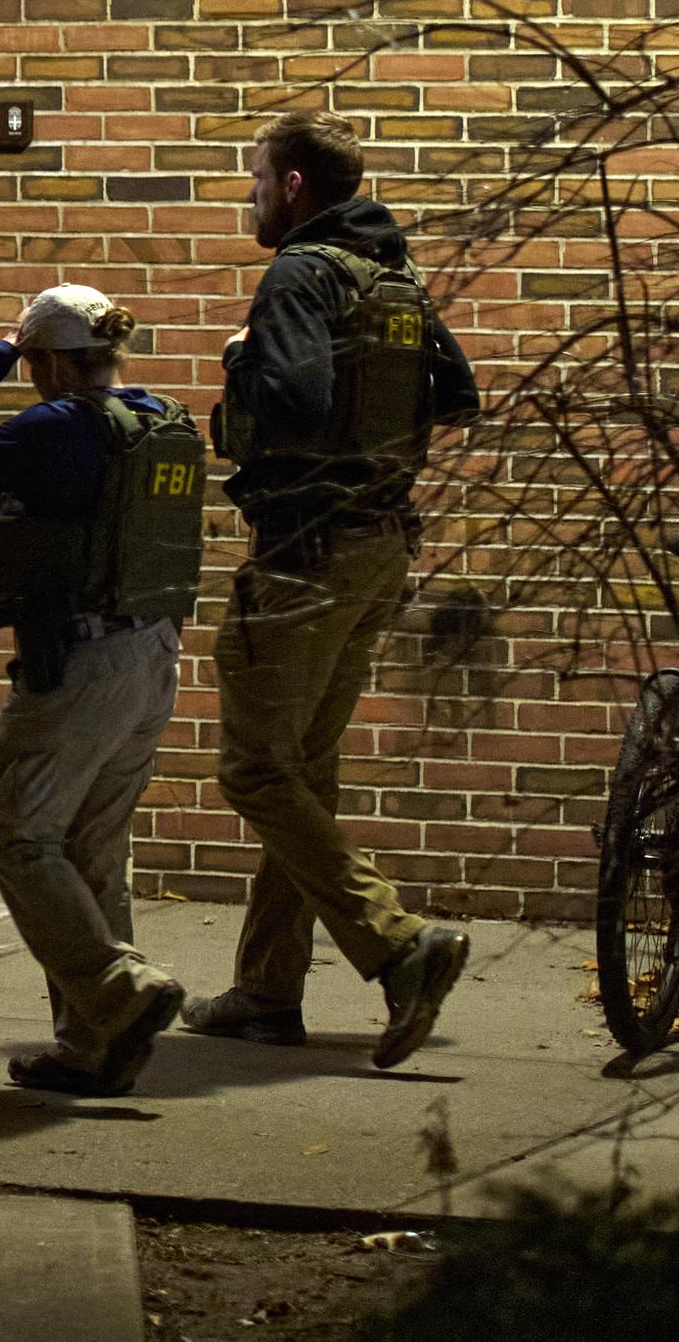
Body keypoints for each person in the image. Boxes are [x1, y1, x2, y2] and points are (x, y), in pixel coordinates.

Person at [186, 108, 481, 1068]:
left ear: (297, 188)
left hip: (305, 557)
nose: (252, 196)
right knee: (303, 767)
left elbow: (297, 408)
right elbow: (459, 393)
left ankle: (400, 943)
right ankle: (268, 992)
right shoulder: (393, 279)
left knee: (255, 771)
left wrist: (240, 381)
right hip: (381, 548)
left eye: (259, 181)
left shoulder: (300, 275)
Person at [0, 286, 205, 1097]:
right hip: (152, 653)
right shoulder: (157, 418)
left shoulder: (55, 424)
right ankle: (94, 1046)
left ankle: (120, 990)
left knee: (19, 836)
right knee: (93, 848)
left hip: (80, 666)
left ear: (46, 359)